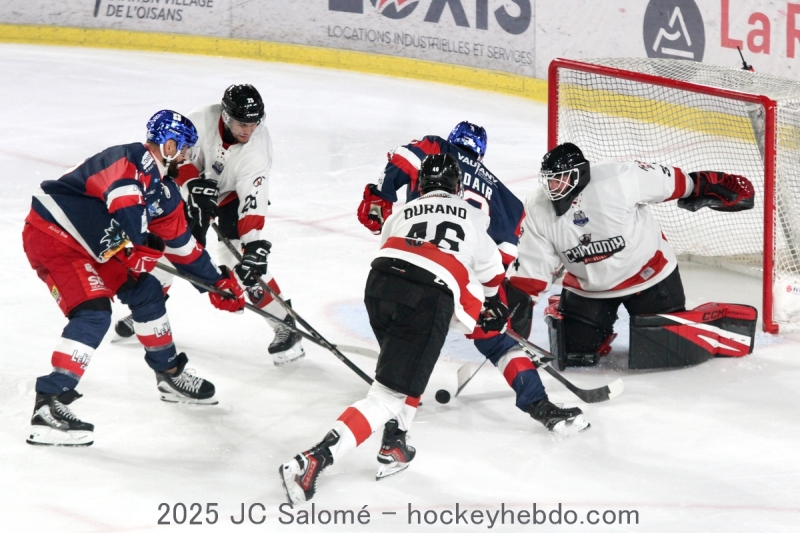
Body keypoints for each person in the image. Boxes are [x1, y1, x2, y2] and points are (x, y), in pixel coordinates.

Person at [280, 154, 588, 506]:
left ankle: (394, 444)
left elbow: (391, 248)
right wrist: (495, 307)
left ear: (422, 186)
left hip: (379, 287)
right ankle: (313, 459)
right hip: (430, 294)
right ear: (457, 187)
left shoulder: (404, 210)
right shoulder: (473, 214)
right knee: (387, 396)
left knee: (405, 365)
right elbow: (491, 274)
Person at [22, 110, 246, 447]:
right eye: (184, 149)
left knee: (148, 292)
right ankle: (49, 405)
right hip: (55, 236)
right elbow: (125, 204)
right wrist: (137, 246)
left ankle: (169, 375)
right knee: (94, 313)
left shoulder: (164, 192)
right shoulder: (126, 161)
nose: (187, 158)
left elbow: (182, 247)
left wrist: (215, 282)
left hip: (100, 246)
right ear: (168, 145)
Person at [356, 121, 556, 427]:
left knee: (405, 334)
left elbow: (401, 159)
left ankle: (399, 398)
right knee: (496, 340)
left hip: (416, 273)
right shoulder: (509, 201)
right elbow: (503, 255)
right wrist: (492, 298)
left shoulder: (437, 150)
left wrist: (379, 196)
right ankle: (540, 404)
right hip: (468, 276)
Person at [508, 143, 755, 370]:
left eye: (561, 180)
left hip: (648, 276)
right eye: (550, 181)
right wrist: (517, 301)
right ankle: (564, 311)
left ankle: (705, 319)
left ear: (580, 175)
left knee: (663, 353)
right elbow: (533, 264)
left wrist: (700, 184)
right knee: (574, 353)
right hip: (589, 288)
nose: (554, 188)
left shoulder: (619, 178)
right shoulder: (537, 207)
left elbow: (668, 181)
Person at [114, 84, 304, 366]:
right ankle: (149, 305)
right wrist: (192, 185)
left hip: (230, 197)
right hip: (188, 189)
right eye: (242, 123)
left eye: (254, 124)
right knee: (171, 248)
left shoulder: (257, 151)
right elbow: (179, 157)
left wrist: (252, 245)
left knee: (239, 263)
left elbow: (253, 200)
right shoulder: (200, 119)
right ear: (226, 116)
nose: (248, 131)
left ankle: (284, 322)